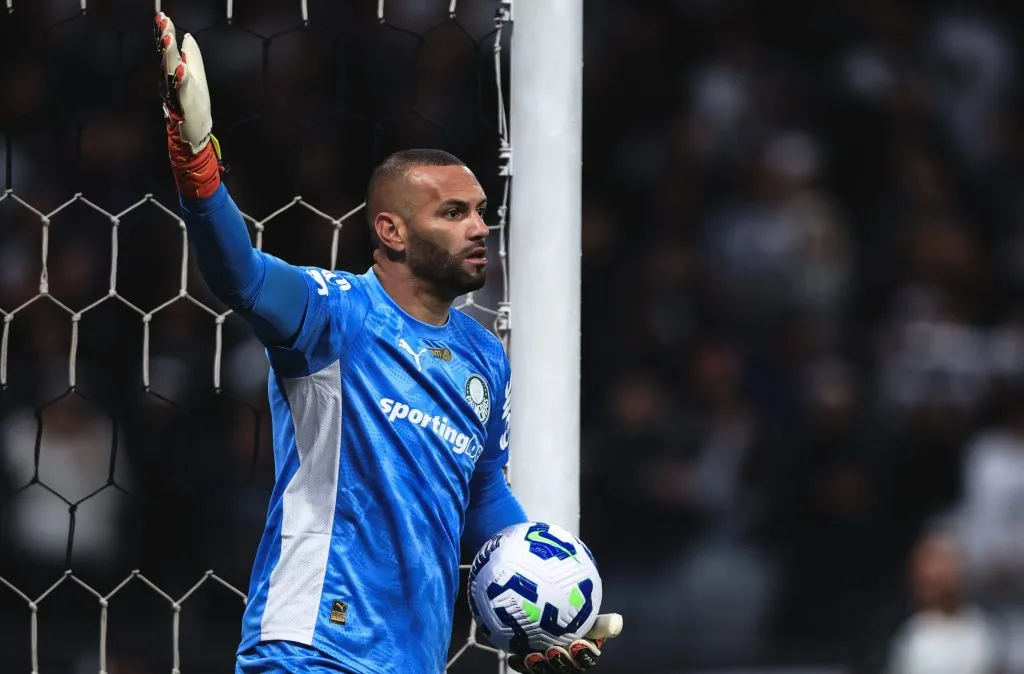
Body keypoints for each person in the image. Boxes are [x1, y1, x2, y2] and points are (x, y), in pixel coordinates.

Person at [154, 12, 621, 674]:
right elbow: (244, 277)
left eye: (482, 211)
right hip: (310, 644)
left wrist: (552, 608)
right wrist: (198, 169)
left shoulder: (483, 355)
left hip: (410, 660)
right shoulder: (334, 316)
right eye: (454, 213)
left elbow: (483, 494)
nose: (479, 227)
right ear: (392, 231)